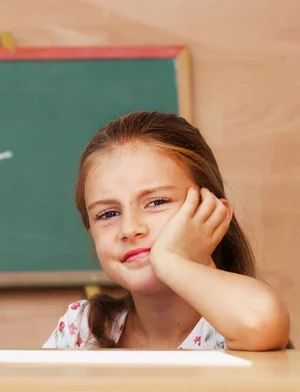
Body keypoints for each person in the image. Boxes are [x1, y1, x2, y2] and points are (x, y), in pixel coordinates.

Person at [43, 111, 291, 351]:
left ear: (212, 212)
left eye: (157, 202)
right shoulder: (82, 332)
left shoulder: (234, 325)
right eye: (107, 214)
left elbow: (262, 322)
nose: (130, 229)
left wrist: (170, 259)